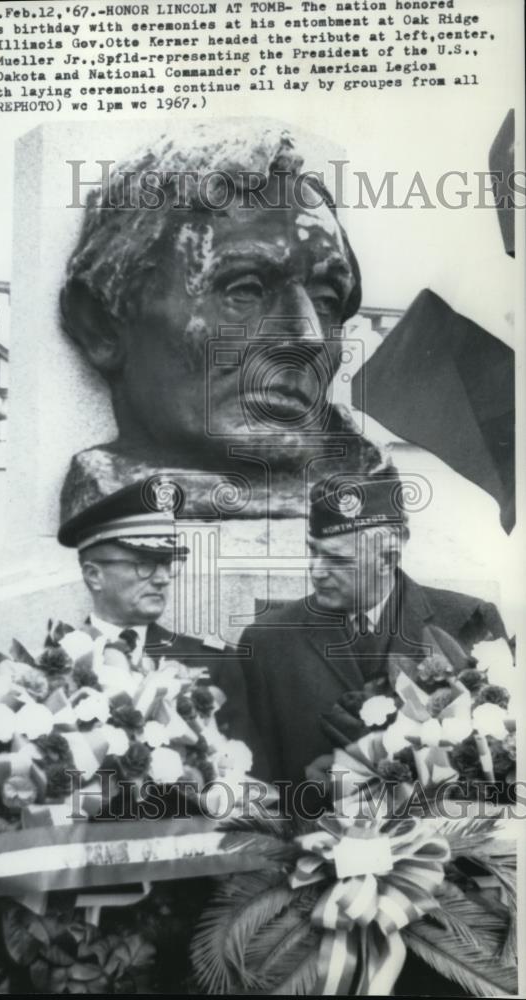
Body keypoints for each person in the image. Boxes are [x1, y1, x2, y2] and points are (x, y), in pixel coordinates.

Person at [59, 123, 384, 522]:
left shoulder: (365, 493)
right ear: (101, 324)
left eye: (327, 301)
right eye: (243, 291)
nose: (308, 336)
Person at [237, 472, 509, 789]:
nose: (316, 570)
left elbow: (501, 764)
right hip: (312, 835)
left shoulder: (468, 622)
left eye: (337, 559)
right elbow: (256, 787)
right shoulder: (268, 641)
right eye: (313, 550)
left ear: (387, 558)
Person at [58, 477, 261, 758]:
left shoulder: (215, 662)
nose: (163, 578)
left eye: (167, 564)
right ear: (94, 576)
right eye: (144, 565)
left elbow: (246, 772)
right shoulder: (58, 664)